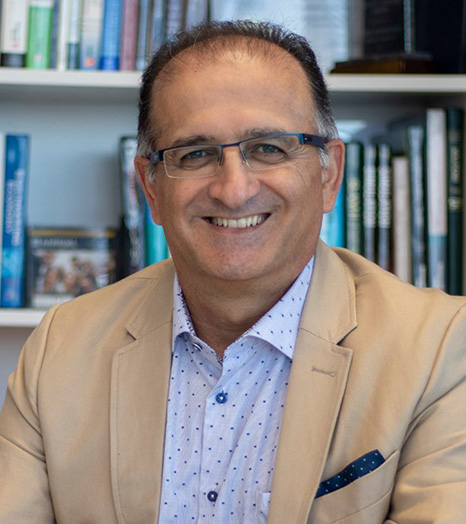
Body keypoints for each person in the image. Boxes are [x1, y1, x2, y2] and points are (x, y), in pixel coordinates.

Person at [1, 20, 466, 524]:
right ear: (151, 188)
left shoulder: (439, 349)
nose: (233, 190)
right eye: (195, 154)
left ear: (329, 174)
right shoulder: (61, 349)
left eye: (268, 148)